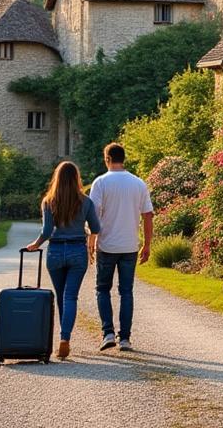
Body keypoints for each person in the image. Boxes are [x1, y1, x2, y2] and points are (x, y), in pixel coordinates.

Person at [25, 161, 100, 361]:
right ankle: (64, 338)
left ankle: (63, 338)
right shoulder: (85, 201)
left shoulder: (48, 201)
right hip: (77, 251)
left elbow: (47, 232)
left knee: (61, 297)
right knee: (70, 297)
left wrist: (36, 244)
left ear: (56, 178)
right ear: (76, 178)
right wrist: (87, 238)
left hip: (56, 252)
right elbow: (95, 227)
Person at [89, 142, 153, 352]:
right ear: (123, 158)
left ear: (107, 159)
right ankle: (125, 338)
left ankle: (108, 333)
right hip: (129, 245)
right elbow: (147, 215)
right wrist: (147, 244)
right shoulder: (138, 183)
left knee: (102, 289)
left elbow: (93, 216)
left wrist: (91, 239)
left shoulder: (100, 183)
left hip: (107, 245)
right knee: (126, 292)